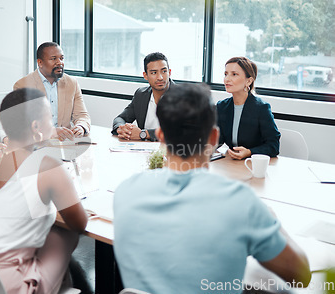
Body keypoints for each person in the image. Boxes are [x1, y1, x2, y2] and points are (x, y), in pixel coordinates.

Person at [113, 84, 311, 293]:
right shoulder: (241, 203)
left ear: (160, 135)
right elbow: (301, 275)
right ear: (214, 138)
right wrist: (271, 219)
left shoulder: (126, 192)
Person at [0, 88, 88, 294]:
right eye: (50, 118)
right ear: (36, 126)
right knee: (64, 234)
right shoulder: (48, 167)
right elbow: (80, 223)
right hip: (3, 283)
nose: (53, 125)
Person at [13, 42, 91, 141]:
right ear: (40, 62)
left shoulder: (72, 83)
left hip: (65, 141)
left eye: (61, 58)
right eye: (53, 59)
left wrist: (81, 127)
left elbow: (82, 115)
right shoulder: (22, 85)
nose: (59, 63)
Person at [217, 56, 281, 159]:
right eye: (226, 74)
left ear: (249, 81)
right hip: (231, 164)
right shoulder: (222, 107)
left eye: (234, 74)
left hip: (254, 164)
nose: (227, 79)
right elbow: (217, 140)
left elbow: (273, 146)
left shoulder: (262, 108)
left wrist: (249, 152)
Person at [112, 52, 173, 141]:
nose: (160, 77)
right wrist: (122, 129)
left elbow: (181, 130)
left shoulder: (182, 96)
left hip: (175, 151)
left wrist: (144, 134)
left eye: (164, 71)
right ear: (145, 76)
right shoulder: (141, 95)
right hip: (144, 150)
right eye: (154, 73)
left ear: (169, 72)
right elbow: (120, 118)